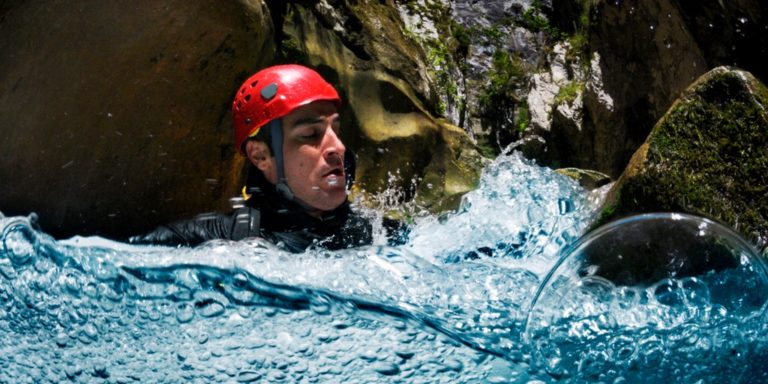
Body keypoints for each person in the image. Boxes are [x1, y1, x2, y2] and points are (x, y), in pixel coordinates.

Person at [129, 64, 404, 252]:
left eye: (336, 130)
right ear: (260, 155)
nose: (338, 147)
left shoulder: (385, 235)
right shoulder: (213, 242)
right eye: (310, 134)